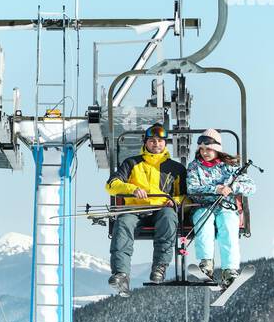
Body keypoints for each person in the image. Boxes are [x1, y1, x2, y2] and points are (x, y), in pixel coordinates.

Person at [106, 124, 186, 294]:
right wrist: (132, 190)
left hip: (161, 209)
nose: (156, 144)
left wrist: (174, 201)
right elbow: (112, 185)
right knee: (123, 223)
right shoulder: (132, 163)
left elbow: (186, 196)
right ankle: (121, 273)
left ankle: (159, 267)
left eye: (159, 141)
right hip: (137, 209)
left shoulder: (175, 169)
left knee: (169, 218)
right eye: (152, 141)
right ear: (146, 143)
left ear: (165, 144)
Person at [185, 129, 256, 286]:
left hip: (225, 207)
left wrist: (233, 187)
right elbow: (192, 188)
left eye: (208, 149)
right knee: (204, 223)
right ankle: (206, 263)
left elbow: (251, 187)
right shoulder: (195, 167)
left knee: (228, 226)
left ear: (216, 149)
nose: (205, 153)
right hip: (203, 206)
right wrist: (215, 189)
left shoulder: (229, 167)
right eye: (202, 149)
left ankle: (229, 270)